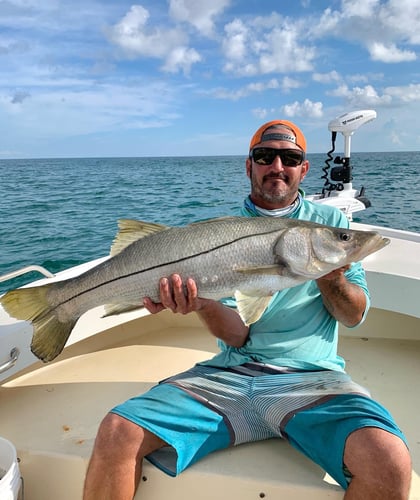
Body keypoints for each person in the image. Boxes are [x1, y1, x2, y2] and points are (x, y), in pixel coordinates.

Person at [83, 120, 411, 500]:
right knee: (117, 432)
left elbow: (353, 315)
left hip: (312, 381)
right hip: (228, 376)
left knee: (389, 460)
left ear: (303, 169)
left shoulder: (332, 224)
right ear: (249, 166)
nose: (277, 166)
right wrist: (201, 304)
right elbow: (237, 334)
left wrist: (329, 275)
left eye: (290, 158)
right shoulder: (222, 233)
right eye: (264, 156)